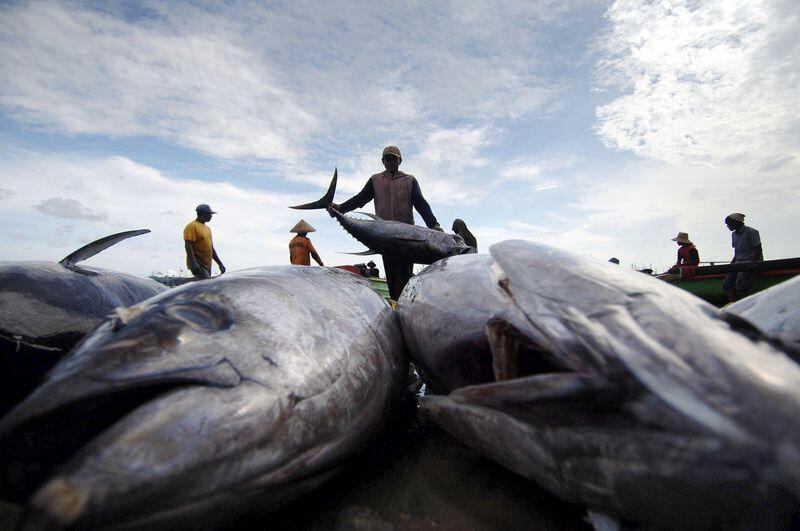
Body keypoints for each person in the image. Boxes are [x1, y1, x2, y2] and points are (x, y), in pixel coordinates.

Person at [328, 145, 442, 300]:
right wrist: (341, 209)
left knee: (404, 275)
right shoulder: (375, 180)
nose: (390, 161)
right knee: (391, 276)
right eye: (387, 159)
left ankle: (403, 307)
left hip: (406, 237)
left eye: (393, 158)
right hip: (383, 236)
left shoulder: (409, 180)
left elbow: (421, 204)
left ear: (400, 160)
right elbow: (360, 198)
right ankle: (396, 307)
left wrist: (434, 225)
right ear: (383, 161)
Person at [723, 212, 763, 302]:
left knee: (740, 284)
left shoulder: (752, 232)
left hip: (750, 262)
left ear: (735, 223)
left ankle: (743, 304)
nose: (727, 226)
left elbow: (758, 249)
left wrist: (751, 263)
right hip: (739, 263)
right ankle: (733, 304)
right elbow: (737, 253)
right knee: (727, 284)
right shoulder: (733, 235)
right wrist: (730, 266)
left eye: (728, 224)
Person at [184, 204, 225, 280]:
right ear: (204, 214)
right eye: (210, 214)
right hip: (198, 264)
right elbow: (188, 244)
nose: (211, 216)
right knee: (206, 285)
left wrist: (220, 264)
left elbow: (211, 249)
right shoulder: (192, 226)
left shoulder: (207, 229)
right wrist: (193, 262)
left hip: (207, 265)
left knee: (206, 285)